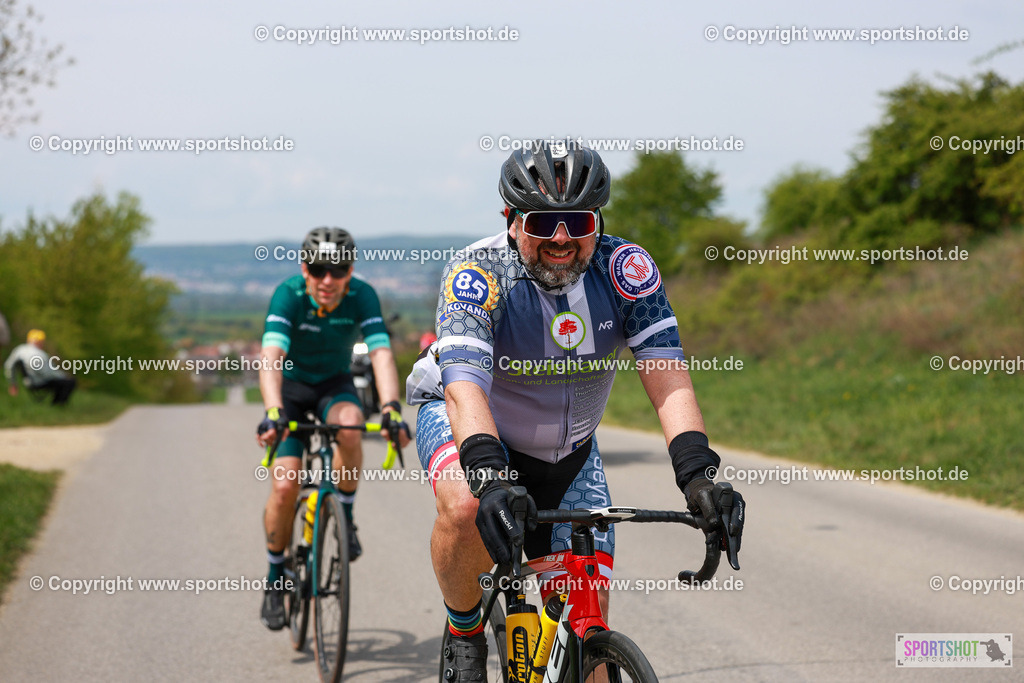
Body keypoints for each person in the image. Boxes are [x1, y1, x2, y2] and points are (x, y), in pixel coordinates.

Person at [407, 143, 745, 681]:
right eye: (543, 223)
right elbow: (464, 389)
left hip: (570, 451)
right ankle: (464, 631)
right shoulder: (478, 272)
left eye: (577, 221)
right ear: (512, 222)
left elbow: (666, 373)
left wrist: (698, 475)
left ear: (598, 222)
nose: (561, 237)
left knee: (588, 624)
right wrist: (491, 478)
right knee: (466, 507)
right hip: (470, 425)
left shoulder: (625, 270)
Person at [254, 226, 410, 631]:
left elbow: (380, 353)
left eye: (337, 270)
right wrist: (273, 411)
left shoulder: (362, 295)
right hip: (289, 391)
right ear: (305, 269)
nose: (328, 280)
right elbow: (271, 355)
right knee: (286, 485)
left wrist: (392, 406)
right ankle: (275, 578)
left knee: (353, 424)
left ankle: (344, 511)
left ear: (350, 270)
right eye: (319, 270)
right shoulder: (289, 294)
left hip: (333, 386)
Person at [4, 329, 77, 406]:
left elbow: (9, 365)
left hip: (28, 382)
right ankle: (58, 405)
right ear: (39, 342)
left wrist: (13, 383)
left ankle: (56, 405)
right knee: (70, 381)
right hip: (40, 382)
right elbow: (48, 374)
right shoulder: (41, 355)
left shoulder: (19, 350)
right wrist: (64, 376)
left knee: (62, 381)